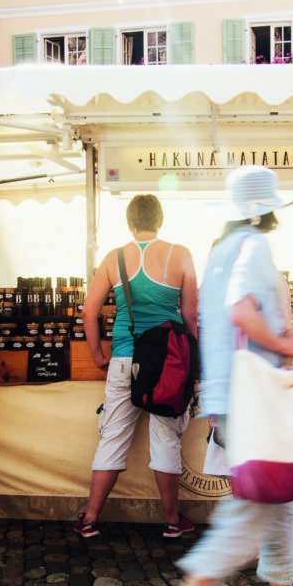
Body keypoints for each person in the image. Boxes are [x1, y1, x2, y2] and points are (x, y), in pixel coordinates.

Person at [136, 167, 293, 586]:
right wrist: (288, 342)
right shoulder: (253, 246)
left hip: (232, 401)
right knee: (246, 519)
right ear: (266, 207)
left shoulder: (220, 250)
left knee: (277, 509)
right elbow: (241, 311)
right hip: (255, 406)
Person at [74, 194, 198, 538]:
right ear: (160, 220)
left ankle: (90, 519)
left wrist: (98, 356)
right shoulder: (181, 254)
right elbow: (189, 315)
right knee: (167, 439)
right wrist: (192, 357)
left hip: (125, 357)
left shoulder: (113, 258)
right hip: (169, 361)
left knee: (112, 437)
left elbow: (88, 311)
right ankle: (172, 521)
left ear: (130, 222)